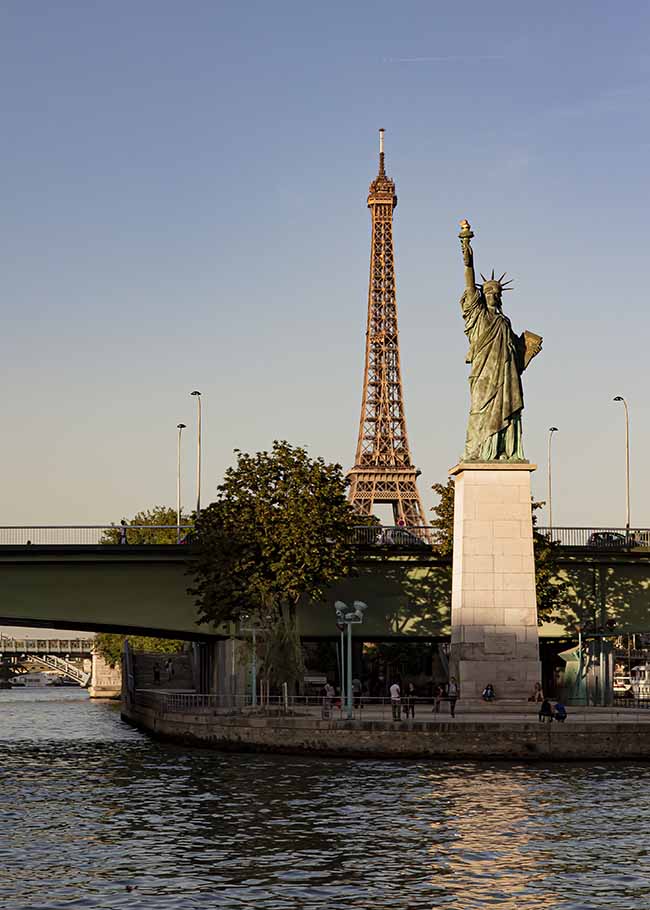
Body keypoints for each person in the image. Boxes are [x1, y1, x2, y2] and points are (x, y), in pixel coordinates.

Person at [457, 219, 542, 462]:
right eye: (489, 292)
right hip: (484, 375)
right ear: (482, 296)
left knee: (508, 410)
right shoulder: (478, 314)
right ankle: (483, 450)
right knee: (479, 412)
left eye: (497, 292)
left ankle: (504, 450)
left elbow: (515, 354)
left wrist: (527, 350)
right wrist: (467, 254)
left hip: (506, 376)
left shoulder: (505, 321)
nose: (493, 294)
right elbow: (469, 281)